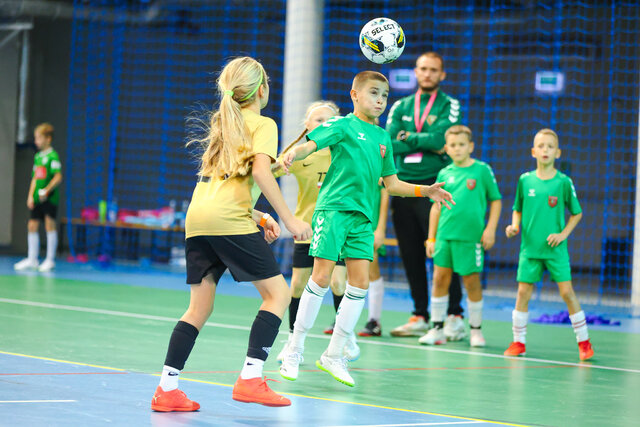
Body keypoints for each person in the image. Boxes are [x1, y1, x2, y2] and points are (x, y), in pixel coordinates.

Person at [150, 57, 312, 412]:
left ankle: (166, 389)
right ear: (262, 88)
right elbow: (260, 175)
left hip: (199, 219)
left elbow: (224, 185)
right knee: (278, 294)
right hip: (227, 220)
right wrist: (289, 220)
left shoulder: (223, 124)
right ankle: (252, 379)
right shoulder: (264, 123)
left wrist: (259, 215)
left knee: (199, 307)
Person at [278, 71, 454, 387]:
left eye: (385, 95)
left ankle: (333, 355)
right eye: (374, 93)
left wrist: (425, 190)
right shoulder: (342, 125)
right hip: (333, 211)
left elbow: (393, 184)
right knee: (319, 277)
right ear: (355, 95)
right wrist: (294, 151)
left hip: (363, 219)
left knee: (358, 285)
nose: (380, 100)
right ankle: (294, 349)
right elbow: (312, 143)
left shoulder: (383, 137)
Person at [385, 52, 465, 339]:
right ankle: (420, 314)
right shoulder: (400, 106)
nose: (427, 73)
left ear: (442, 74)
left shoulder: (449, 104)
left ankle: (455, 315)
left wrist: (408, 137)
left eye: (433, 69)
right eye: (422, 69)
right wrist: (423, 142)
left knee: (443, 252)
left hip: (437, 186)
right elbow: (389, 144)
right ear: (416, 72)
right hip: (404, 186)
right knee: (411, 254)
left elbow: (443, 139)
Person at [271, 101, 353, 361]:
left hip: (336, 230)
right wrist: (276, 163)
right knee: (297, 285)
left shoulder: (343, 153)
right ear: (307, 125)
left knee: (338, 282)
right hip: (306, 229)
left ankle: (345, 339)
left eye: (328, 120)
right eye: (317, 120)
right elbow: (269, 172)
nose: (323, 124)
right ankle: (293, 340)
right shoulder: (300, 155)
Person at [503, 129, 594, 361]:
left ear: (558, 152)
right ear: (533, 151)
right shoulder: (525, 180)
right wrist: (514, 225)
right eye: (541, 146)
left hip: (555, 250)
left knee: (567, 292)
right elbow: (517, 208)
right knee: (523, 293)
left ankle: (584, 343)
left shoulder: (563, 182)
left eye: (550, 146)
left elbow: (577, 213)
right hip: (530, 249)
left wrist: (563, 234)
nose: (545, 150)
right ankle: (518, 343)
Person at [421, 125, 502, 347]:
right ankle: (437, 329)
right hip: (444, 237)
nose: (457, 149)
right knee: (439, 279)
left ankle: (475, 330)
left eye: (461, 144)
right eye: (453, 145)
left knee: (471, 281)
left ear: (471, 146)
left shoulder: (482, 170)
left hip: (470, 238)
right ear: (447, 148)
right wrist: (431, 238)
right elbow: (436, 207)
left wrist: (490, 229)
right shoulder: (444, 174)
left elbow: (496, 200)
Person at [14, 123, 62, 273]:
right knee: (32, 225)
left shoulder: (53, 156)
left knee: (49, 225)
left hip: (49, 198)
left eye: (39, 138)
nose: (36, 141)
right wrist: (30, 196)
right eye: (36, 138)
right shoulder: (38, 157)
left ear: (48, 139)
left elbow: (58, 177)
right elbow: (35, 178)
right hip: (36, 199)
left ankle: (49, 259)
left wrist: (46, 191)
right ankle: (32, 259)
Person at [358, 180, 389, 337]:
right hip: (352, 219)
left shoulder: (378, 159)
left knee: (371, 269)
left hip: (371, 223)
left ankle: (374, 320)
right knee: (345, 272)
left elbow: (385, 193)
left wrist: (381, 228)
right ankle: (340, 318)